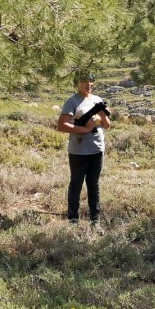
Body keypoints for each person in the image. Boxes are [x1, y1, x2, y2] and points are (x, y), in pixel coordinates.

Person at [57, 71, 111, 225]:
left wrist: (102, 115)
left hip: (97, 150)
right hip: (78, 151)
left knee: (94, 184)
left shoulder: (98, 100)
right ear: (77, 83)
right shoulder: (72, 102)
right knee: (76, 184)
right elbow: (61, 125)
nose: (89, 84)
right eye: (85, 81)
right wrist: (85, 129)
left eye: (91, 81)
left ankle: (95, 219)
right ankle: (73, 218)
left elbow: (107, 125)